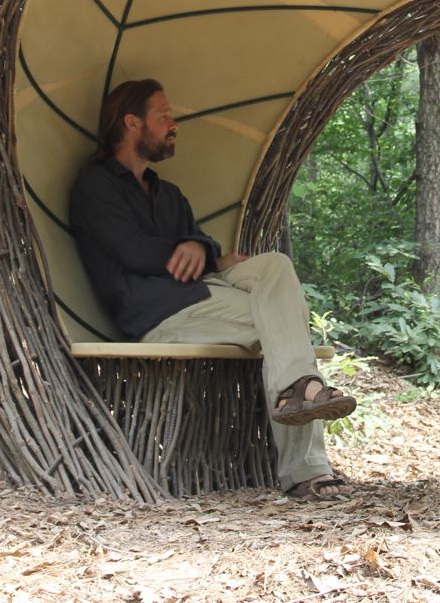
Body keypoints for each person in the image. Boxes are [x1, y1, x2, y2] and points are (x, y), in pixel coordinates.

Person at [69, 78, 357, 500]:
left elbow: (204, 244)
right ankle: (306, 466)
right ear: (132, 122)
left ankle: (297, 390)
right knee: (283, 321)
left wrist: (200, 248)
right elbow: (136, 254)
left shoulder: (168, 194)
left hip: (200, 295)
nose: (174, 124)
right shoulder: (96, 186)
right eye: (163, 115)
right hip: (158, 313)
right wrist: (198, 251)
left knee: (275, 266)